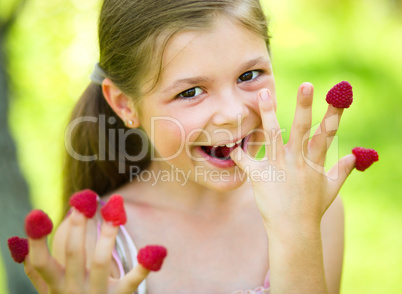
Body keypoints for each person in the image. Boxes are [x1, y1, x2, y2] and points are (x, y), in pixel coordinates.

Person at [21, 0, 357, 293]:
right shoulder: (99, 243)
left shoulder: (313, 209)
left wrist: (296, 232)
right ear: (125, 105)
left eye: (249, 75)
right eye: (191, 92)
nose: (233, 113)